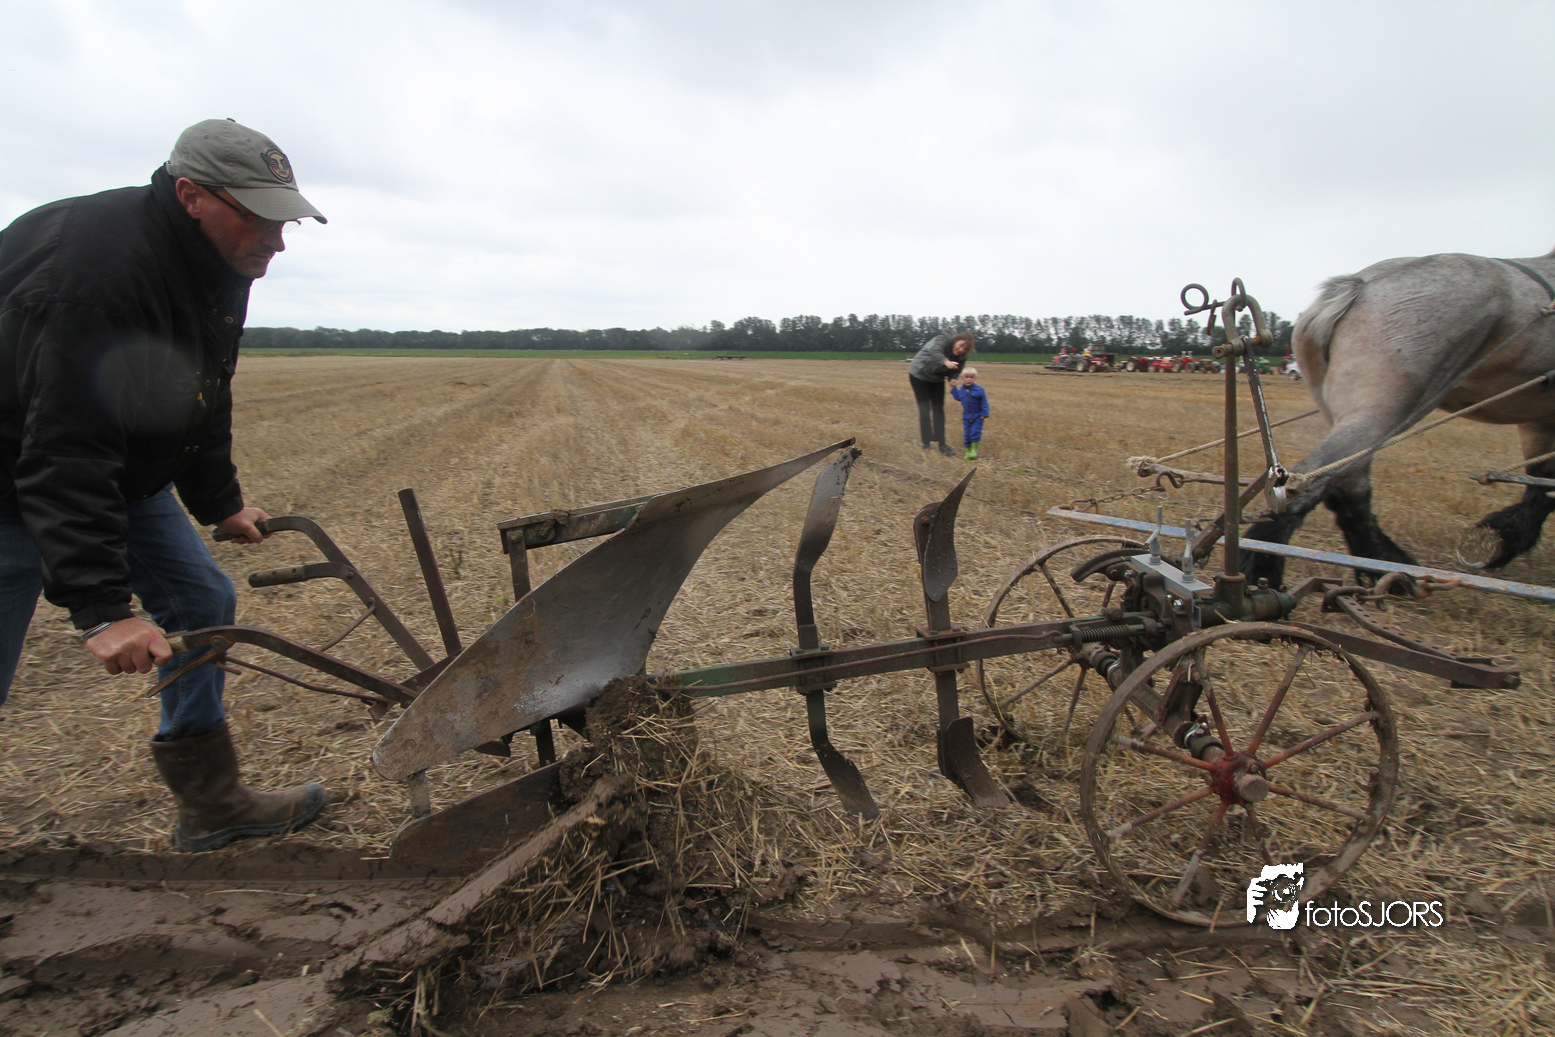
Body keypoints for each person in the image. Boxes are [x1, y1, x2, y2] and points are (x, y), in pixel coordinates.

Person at [0, 119, 330, 853]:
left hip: (110, 466)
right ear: (190, 195)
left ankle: (212, 804)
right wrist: (102, 610)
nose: (276, 240)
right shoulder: (99, 276)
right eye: (259, 216)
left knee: (201, 601)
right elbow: (64, 444)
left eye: (284, 220)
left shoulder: (217, 263)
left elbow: (198, 390)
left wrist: (219, 502)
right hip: (17, 466)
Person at [908, 331, 974, 455]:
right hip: (919, 374)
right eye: (960, 345)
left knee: (938, 409)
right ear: (955, 341)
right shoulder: (942, 340)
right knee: (924, 409)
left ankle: (942, 445)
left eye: (965, 349)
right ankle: (926, 444)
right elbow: (935, 352)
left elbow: (956, 370)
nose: (961, 350)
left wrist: (953, 378)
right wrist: (946, 362)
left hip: (937, 378)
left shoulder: (962, 356)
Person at [949, 367, 990, 460]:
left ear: (974, 378)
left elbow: (984, 402)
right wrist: (953, 388)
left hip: (978, 416)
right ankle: (968, 451)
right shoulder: (962, 390)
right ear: (962, 378)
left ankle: (974, 451)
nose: (969, 379)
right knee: (967, 435)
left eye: (971, 377)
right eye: (966, 377)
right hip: (966, 417)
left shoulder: (979, 390)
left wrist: (985, 413)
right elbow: (958, 397)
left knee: (975, 432)